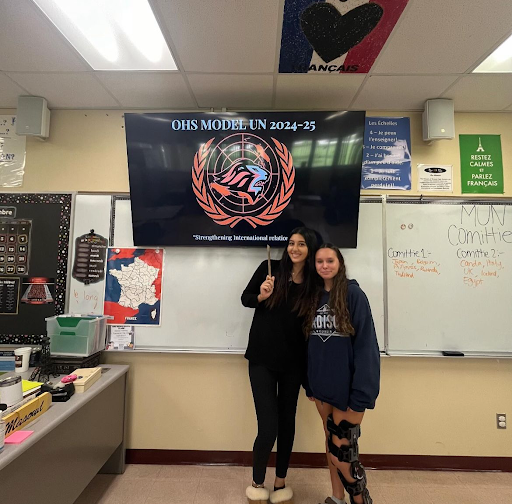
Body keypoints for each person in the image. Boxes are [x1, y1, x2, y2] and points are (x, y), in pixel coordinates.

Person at [242, 227, 319, 504]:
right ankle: (257, 482)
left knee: (287, 424)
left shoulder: (314, 282)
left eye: (301, 244)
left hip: (294, 363)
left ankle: (280, 482)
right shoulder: (269, 268)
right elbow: (245, 299)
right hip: (262, 359)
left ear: (310, 249)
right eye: (290, 243)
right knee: (268, 427)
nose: (294, 248)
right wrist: (262, 295)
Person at [304, 244, 380, 504]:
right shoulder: (313, 297)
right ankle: (337, 497)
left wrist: (361, 392)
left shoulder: (353, 295)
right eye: (319, 261)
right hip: (322, 387)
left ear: (340, 263)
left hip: (349, 390)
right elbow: (311, 344)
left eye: (330, 260)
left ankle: (361, 500)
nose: (324, 265)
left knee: (343, 453)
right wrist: (310, 383)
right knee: (330, 443)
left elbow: (366, 346)